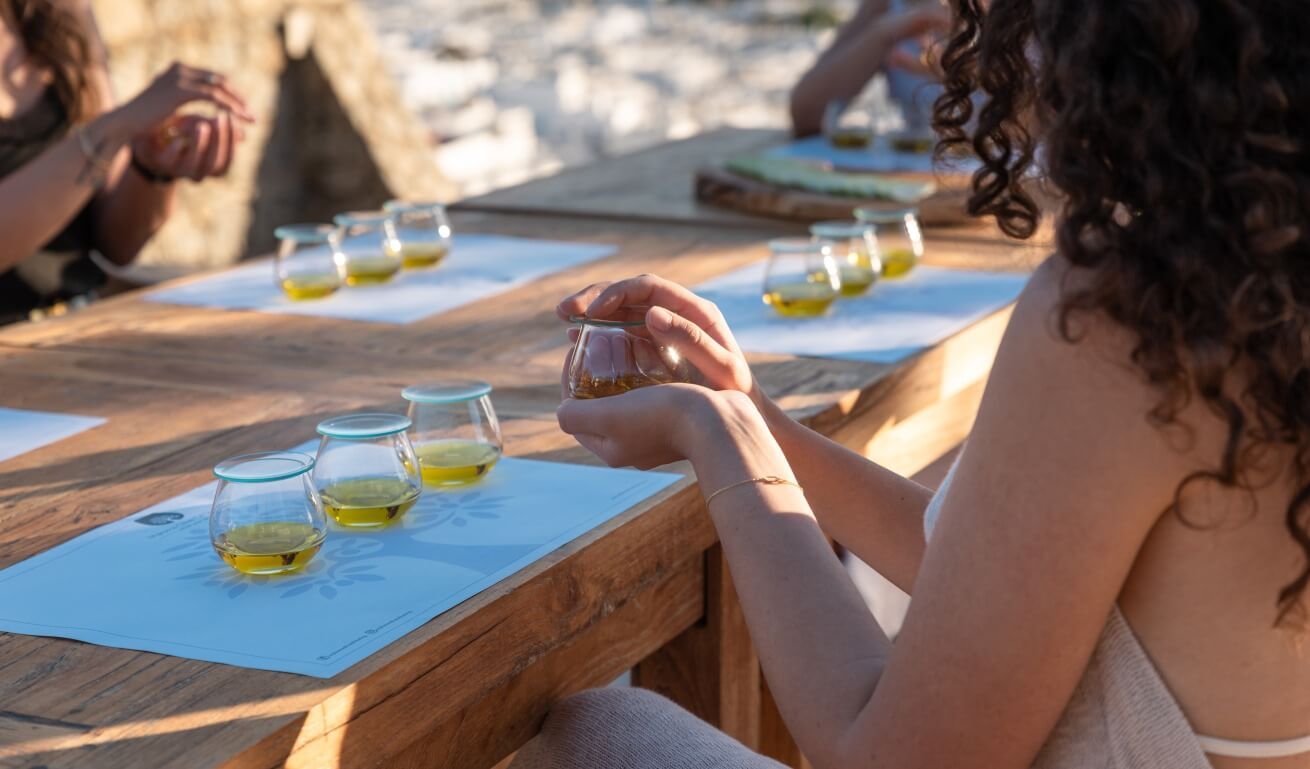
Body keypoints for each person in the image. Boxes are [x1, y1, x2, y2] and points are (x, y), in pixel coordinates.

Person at [520, 0, 1310, 767]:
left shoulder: (1124, 320)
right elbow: (1001, 584)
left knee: (583, 735)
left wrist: (718, 439)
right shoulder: (1263, 280)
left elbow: (887, 752)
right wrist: (759, 419)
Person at [0, 0, 253, 325]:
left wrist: (152, 169)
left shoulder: (61, 10)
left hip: (75, 329)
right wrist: (113, 129)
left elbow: (118, 243)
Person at [790, 0, 949, 138]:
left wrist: (960, 74)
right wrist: (882, 33)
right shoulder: (883, 6)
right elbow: (806, 118)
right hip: (914, 165)